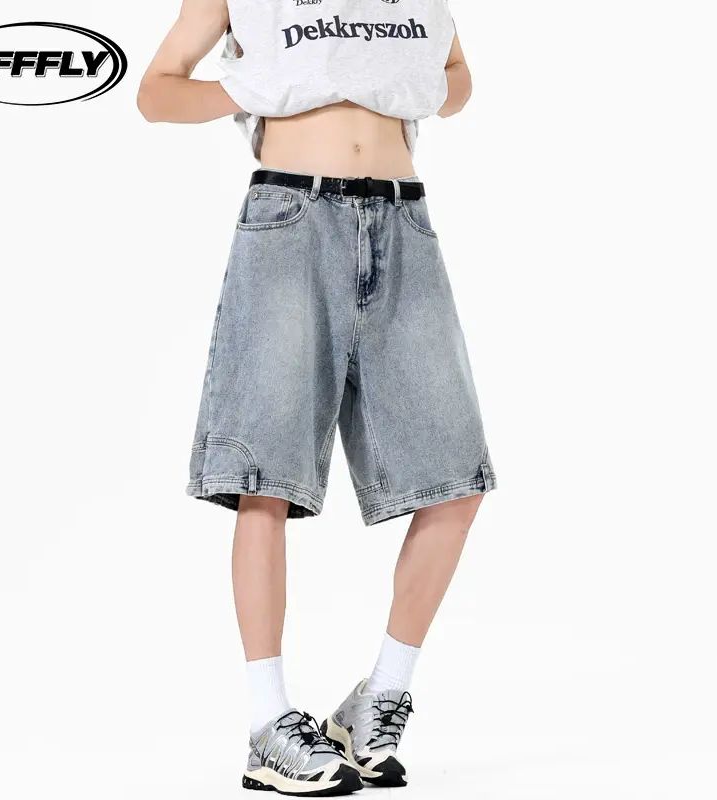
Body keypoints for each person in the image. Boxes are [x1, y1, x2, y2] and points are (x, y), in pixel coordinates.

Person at [138, 0, 496, 794]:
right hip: (291, 214)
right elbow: (156, 93)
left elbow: (458, 78)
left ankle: (379, 698)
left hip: (403, 219)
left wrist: (404, 84)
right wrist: (252, 88)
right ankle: (269, 724)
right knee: (265, 478)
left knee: (456, 482)